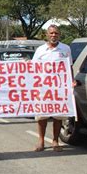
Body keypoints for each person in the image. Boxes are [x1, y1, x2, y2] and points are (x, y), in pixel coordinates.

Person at [32, 24, 72, 152]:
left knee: (58, 116)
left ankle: (55, 140)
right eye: (51, 33)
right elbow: (33, 68)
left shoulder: (65, 49)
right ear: (46, 35)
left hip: (59, 88)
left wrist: (72, 81)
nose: (54, 35)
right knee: (42, 116)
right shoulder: (40, 50)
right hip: (42, 88)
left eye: (56, 33)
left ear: (59, 35)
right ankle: (41, 141)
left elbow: (69, 67)